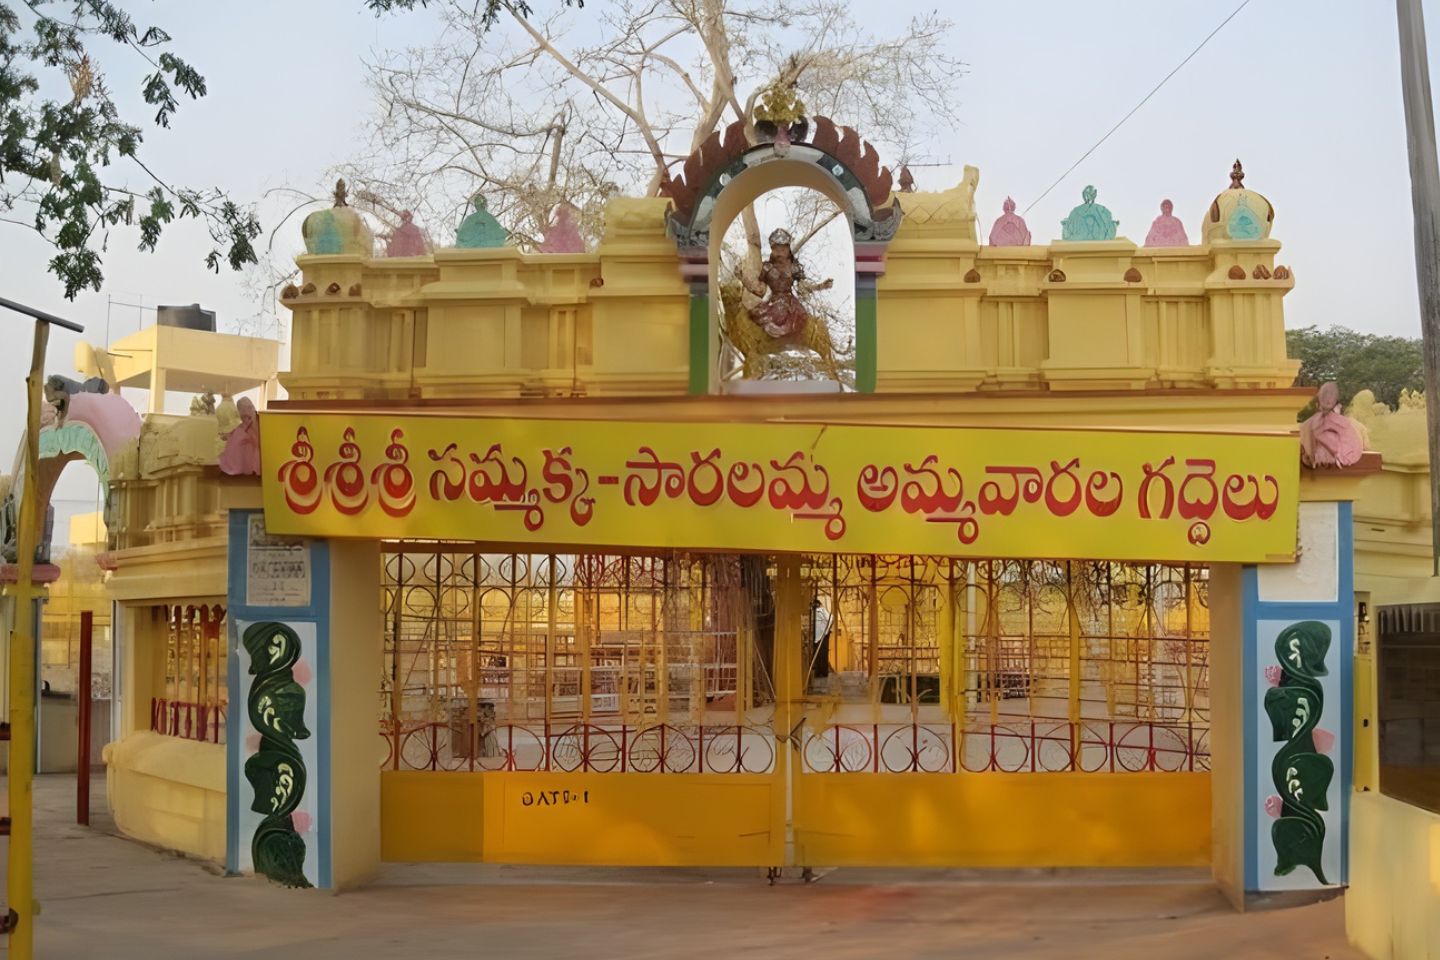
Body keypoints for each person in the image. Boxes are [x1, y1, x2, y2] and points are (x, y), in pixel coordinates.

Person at [741, 228, 832, 342]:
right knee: (777, 315)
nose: (780, 253)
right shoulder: (765, 267)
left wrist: (820, 286)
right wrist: (743, 277)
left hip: (789, 302)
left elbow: (802, 286)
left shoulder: (794, 267)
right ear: (772, 249)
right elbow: (757, 286)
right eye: (777, 249)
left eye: (783, 249)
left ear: (788, 249)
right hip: (771, 300)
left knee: (801, 316)